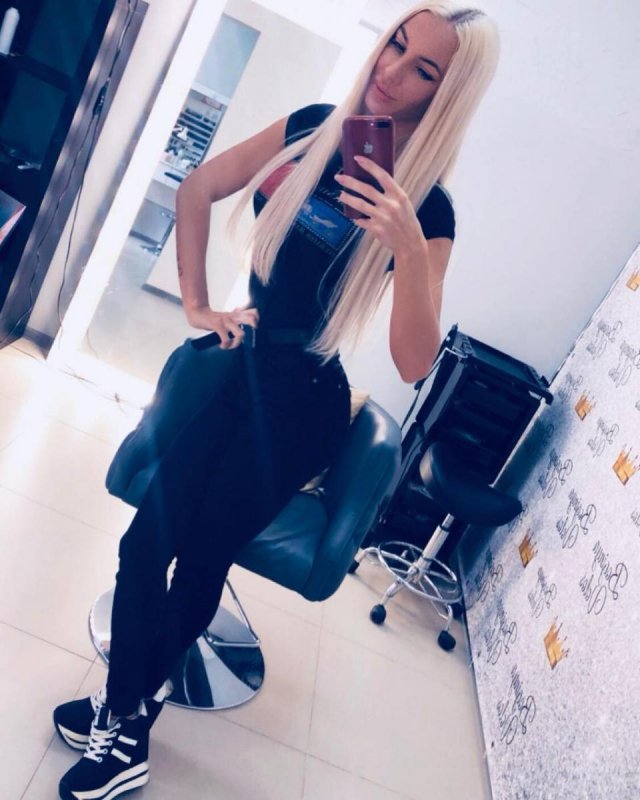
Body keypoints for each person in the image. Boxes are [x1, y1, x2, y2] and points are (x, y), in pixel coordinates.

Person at [53, 3, 499, 798]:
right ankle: (124, 709)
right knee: (143, 543)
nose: (392, 71)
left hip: (301, 408)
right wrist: (198, 303)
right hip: (238, 372)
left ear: (445, 93)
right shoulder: (314, 127)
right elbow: (200, 187)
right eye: (396, 45)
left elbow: (414, 360)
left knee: (200, 556)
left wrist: (407, 249)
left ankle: (123, 734)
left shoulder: (429, 211)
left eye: (423, 70)